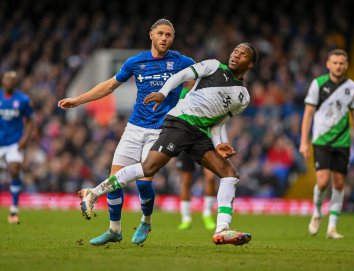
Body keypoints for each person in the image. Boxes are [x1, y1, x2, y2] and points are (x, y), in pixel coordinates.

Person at [78, 42, 258, 246]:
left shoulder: (243, 98)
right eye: (235, 51)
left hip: (200, 134)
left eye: (242, 55)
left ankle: (222, 229)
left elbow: (217, 123)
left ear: (250, 64)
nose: (236, 55)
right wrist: (163, 93)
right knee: (148, 168)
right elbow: (180, 76)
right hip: (181, 122)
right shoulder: (213, 66)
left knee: (230, 174)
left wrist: (218, 144)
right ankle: (94, 193)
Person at [58, 19, 195, 245]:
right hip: (134, 127)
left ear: (173, 38)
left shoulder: (182, 62)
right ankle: (114, 229)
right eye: (160, 33)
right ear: (151, 34)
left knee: (143, 183)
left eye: (169, 35)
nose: (164, 38)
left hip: (161, 130)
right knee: (115, 180)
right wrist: (78, 100)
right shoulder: (136, 62)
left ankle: (146, 221)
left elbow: (206, 76)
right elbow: (110, 85)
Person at [299, 49, 354, 239]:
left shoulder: (352, 87)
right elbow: (308, 114)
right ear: (328, 64)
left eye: (342, 63)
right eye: (335, 62)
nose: (338, 66)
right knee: (322, 183)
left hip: (343, 142)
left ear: (346, 65)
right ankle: (317, 213)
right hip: (321, 140)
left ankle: (332, 227)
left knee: (338, 183)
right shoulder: (318, 84)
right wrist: (304, 141)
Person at [0, 71, 33, 224]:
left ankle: (14, 208)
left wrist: (25, 138)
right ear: (3, 81)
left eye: (13, 80)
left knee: (14, 170)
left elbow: (30, 121)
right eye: (7, 79)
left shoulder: (22, 100)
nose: (10, 82)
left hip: (14, 142)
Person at [176, 151, 216, 230]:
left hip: (204, 144)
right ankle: (186, 219)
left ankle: (207, 214)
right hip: (186, 145)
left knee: (210, 177)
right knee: (185, 181)